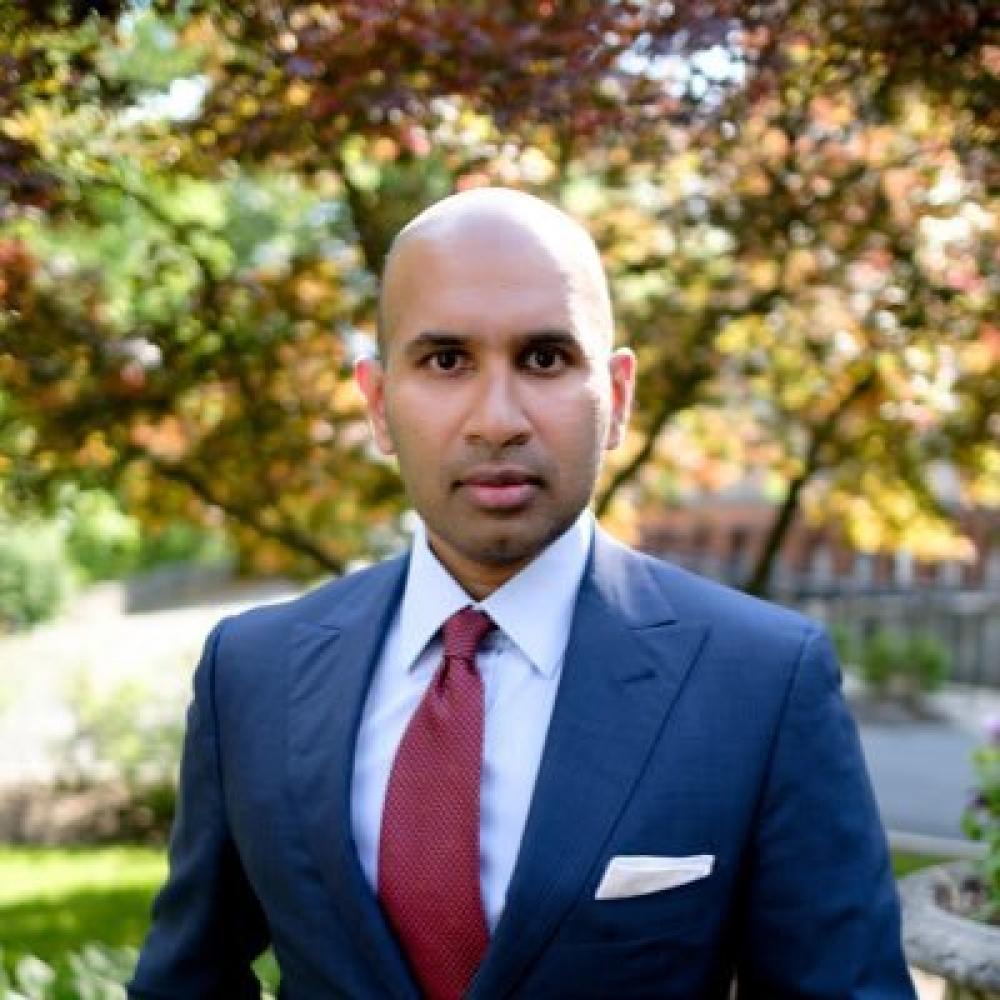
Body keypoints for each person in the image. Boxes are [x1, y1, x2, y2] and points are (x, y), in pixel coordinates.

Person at [129, 188, 915, 999]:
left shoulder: (762, 680)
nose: (496, 418)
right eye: (445, 361)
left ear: (617, 397)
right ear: (376, 402)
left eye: (544, 359)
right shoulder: (250, 673)